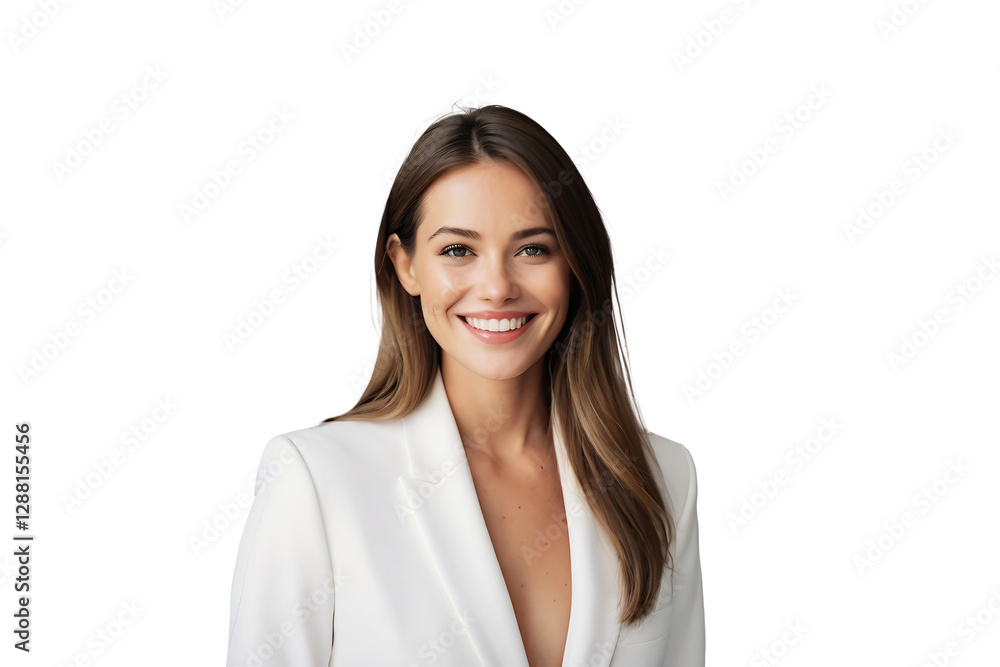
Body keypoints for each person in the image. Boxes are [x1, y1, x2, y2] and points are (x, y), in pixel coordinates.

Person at [226, 104, 705, 667]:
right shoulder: (316, 480)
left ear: (575, 263)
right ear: (405, 265)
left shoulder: (663, 478)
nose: (497, 287)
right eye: (458, 250)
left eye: (534, 249)